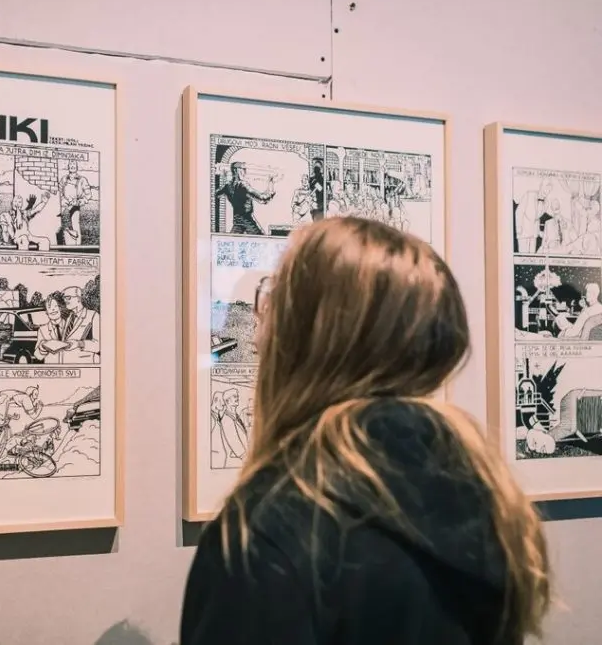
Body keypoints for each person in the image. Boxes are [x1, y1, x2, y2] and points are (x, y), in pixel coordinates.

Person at [180, 216, 552, 645]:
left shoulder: (267, 529)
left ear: (302, 337)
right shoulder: (486, 495)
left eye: (272, 299)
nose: (257, 330)